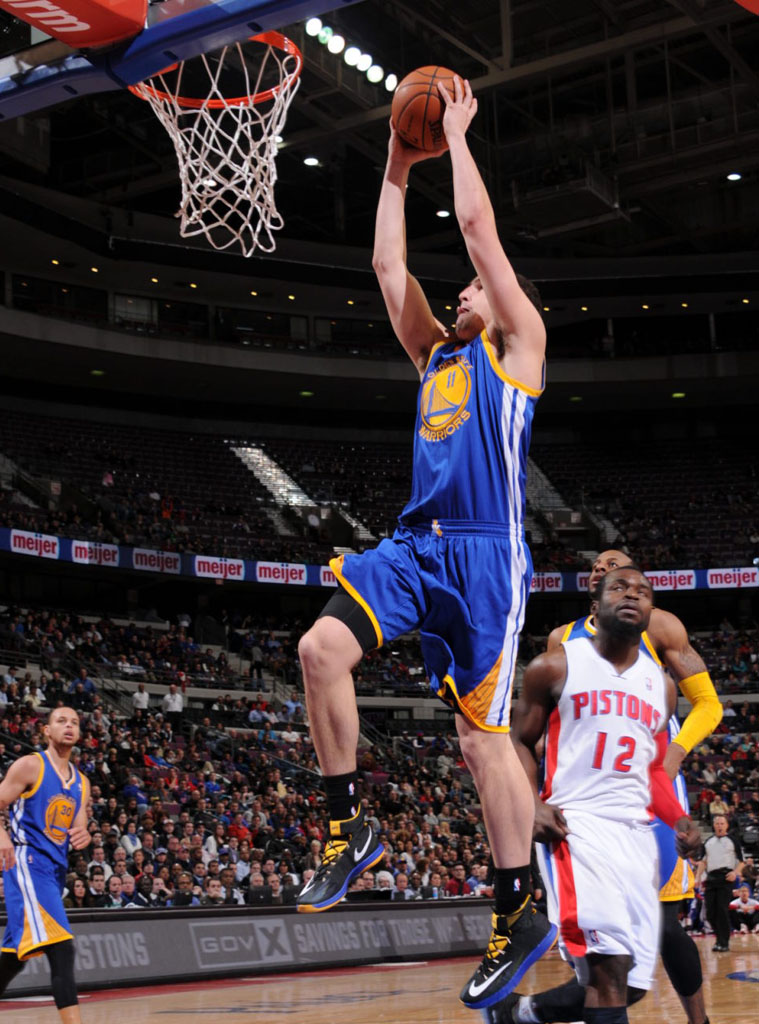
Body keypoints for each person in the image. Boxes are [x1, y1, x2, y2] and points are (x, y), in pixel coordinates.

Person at [296, 75, 552, 1010]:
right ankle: (344, 827)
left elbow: (481, 233)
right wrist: (398, 166)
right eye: (464, 287)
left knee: (482, 746)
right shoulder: (437, 353)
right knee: (319, 648)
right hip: (415, 545)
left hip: (486, 558)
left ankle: (515, 906)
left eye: (476, 284)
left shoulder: (516, 347)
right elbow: (386, 271)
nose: (464, 284)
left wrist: (455, 131)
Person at [505, 549, 722, 1024]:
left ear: (652, 607)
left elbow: (654, 763)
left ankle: (519, 1014)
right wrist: (532, 802)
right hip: (578, 824)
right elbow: (520, 742)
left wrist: (678, 814)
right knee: (605, 972)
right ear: (593, 596)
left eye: (640, 589)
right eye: (614, 583)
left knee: (631, 983)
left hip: (639, 826)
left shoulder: (660, 683)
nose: (628, 592)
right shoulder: (555, 659)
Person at [0, 706, 91, 1023]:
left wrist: (84, 834)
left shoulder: (82, 782)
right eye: (61, 721)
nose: (69, 726)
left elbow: (78, 824)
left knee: (12, 959)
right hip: (26, 863)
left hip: (54, 872)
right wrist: (2, 836)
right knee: (62, 948)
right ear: (47, 731)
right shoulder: (29, 766)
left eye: (75, 722)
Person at [696, 813, 744, 951]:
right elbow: (703, 862)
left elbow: (741, 862)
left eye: (722, 823)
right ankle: (719, 938)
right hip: (711, 878)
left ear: (727, 825)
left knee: (722, 910)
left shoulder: (732, 841)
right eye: (717, 823)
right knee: (710, 912)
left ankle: (724, 942)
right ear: (714, 825)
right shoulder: (708, 842)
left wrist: (735, 873)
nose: (720, 826)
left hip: (726, 878)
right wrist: (698, 877)